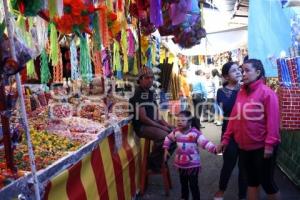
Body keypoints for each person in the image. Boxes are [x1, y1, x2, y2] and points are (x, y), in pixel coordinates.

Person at [218, 59, 281, 200]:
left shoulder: (268, 93)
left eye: (247, 70)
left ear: (258, 72)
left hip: (262, 147)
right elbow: (234, 117)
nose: (243, 74)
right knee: (251, 182)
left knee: (267, 183)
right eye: (242, 70)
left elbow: (273, 122)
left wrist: (270, 145)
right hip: (244, 147)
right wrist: (226, 139)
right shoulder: (241, 92)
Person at [163, 110, 217, 200]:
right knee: (183, 184)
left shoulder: (195, 133)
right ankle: (184, 197)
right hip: (181, 165)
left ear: (189, 122)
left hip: (193, 165)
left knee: (193, 185)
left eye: (183, 120)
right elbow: (168, 138)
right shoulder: (176, 132)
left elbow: (205, 143)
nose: (179, 122)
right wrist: (165, 149)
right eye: (178, 120)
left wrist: (215, 149)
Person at [129, 66, 173, 172]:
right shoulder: (137, 93)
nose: (150, 80)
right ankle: (152, 162)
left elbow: (157, 114)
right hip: (142, 126)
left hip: (151, 123)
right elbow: (143, 118)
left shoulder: (151, 92)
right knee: (166, 137)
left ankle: (160, 160)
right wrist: (160, 126)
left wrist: (166, 124)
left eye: (151, 77)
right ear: (140, 79)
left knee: (176, 133)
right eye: (147, 78)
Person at [214, 62, 247, 200]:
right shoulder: (221, 92)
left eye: (239, 69)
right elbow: (223, 111)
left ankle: (242, 195)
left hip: (246, 133)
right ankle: (221, 190)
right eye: (234, 71)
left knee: (244, 166)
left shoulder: (247, 88)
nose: (239, 72)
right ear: (226, 77)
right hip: (229, 132)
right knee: (228, 164)